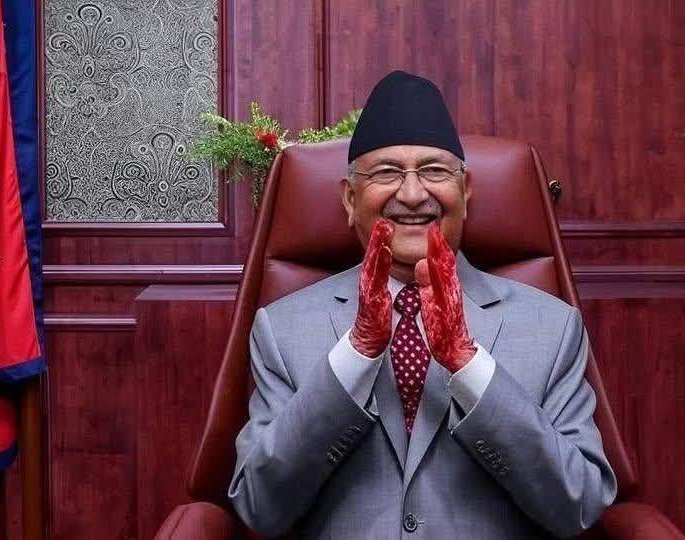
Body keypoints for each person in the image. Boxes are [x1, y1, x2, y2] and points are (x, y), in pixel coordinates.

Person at [229, 70, 617, 539]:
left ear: (465, 194)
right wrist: (356, 355)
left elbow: (579, 505)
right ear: (350, 199)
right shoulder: (281, 329)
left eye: (434, 171)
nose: (413, 195)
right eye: (386, 173)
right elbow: (259, 507)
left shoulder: (553, 327)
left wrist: (470, 366)